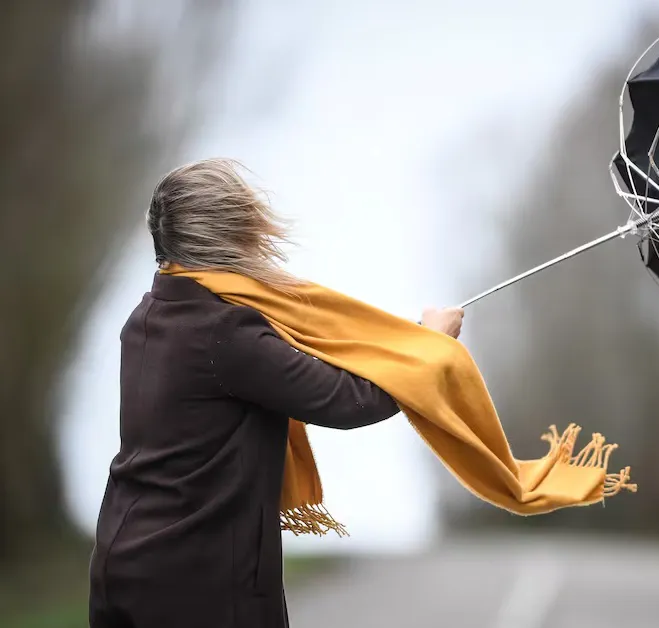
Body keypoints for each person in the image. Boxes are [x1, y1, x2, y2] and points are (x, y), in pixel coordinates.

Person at [88, 158, 464, 628]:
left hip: (122, 566)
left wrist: (401, 340)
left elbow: (290, 370)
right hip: (196, 586)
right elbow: (349, 400)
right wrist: (432, 346)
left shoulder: (147, 318)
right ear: (231, 236)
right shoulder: (225, 332)